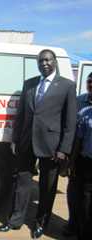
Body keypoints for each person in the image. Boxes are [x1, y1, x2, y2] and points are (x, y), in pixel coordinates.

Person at [0, 49, 77, 239]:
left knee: (47, 188)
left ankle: (41, 224)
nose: (44, 63)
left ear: (54, 62)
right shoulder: (30, 84)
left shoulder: (67, 86)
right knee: (21, 184)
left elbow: (69, 122)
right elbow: (21, 115)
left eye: (47, 60)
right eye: (40, 61)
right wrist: (15, 139)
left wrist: (64, 148)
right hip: (26, 143)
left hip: (52, 146)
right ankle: (14, 221)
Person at [65, 72, 92, 238]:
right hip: (78, 155)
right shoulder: (79, 101)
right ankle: (73, 225)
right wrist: (70, 160)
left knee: (88, 199)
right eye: (89, 81)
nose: (91, 84)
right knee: (74, 193)